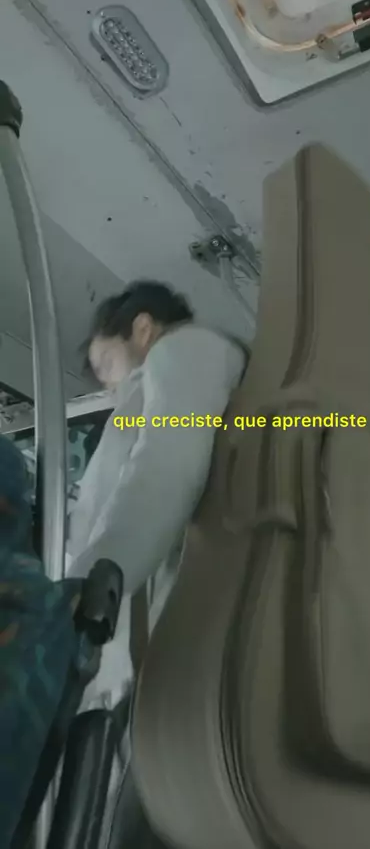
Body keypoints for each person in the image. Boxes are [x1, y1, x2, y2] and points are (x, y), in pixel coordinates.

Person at [67, 279, 246, 706]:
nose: (109, 386)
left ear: (143, 329)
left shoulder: (183, 350)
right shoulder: (171, 374)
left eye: (107, 363)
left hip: (124, 599)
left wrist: (80, 595)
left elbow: (165, 468)